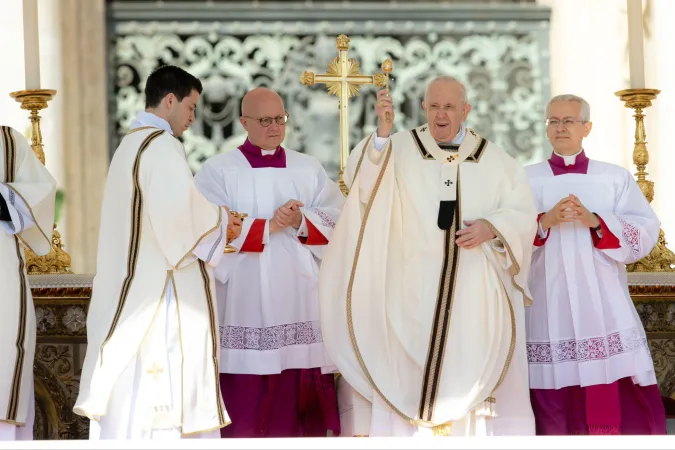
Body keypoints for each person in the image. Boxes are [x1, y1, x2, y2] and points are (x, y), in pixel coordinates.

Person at [319, 75, 538, 437]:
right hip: (409, 291)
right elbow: (361, 182)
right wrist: (382, 134)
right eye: (434, 105)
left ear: (465, 110)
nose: (440, 114)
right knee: (406, 375)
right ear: (422, 107)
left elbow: (522, 212)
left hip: (472, 293)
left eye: (449, 107)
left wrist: (492, 227)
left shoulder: (496, 161)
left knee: (466, 365)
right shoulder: (398, 148)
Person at [74, 65, 243, 440]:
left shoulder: (129, 145)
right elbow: (177, 217)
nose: (192, 118)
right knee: (164, 401)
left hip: (130, 287)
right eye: (191, 107)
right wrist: (222, 219)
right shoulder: (162, 145)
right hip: (158, 295)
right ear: (170, 100)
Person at [194, 87, 344, 438]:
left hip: (299, 299)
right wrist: (269, 225)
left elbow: (339, 219)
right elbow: (205, 228)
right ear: (244, 122)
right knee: (247, 412)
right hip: (246, 302)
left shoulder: (308, 168)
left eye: (280, 119)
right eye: (265, 120)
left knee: (295, 413)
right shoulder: (217, 171)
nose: (275, 127)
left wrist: (301, 220)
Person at [525, 94, 666, 435]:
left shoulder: (613, 178)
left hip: (601, 299)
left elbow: (645, 229)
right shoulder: (525, 179)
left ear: (586, 127)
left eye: (568, 121)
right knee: (552, 388)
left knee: (609, 382)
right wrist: (543, 221)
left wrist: (596, 221)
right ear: (546, 129)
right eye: (553, 121)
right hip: (549, 300)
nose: (560, 127)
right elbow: (505, 234)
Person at [0, 126, 56, 441]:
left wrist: (5, 198)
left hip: (3, 279)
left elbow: (42, 188)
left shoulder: (9, 142)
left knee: (5, 359)